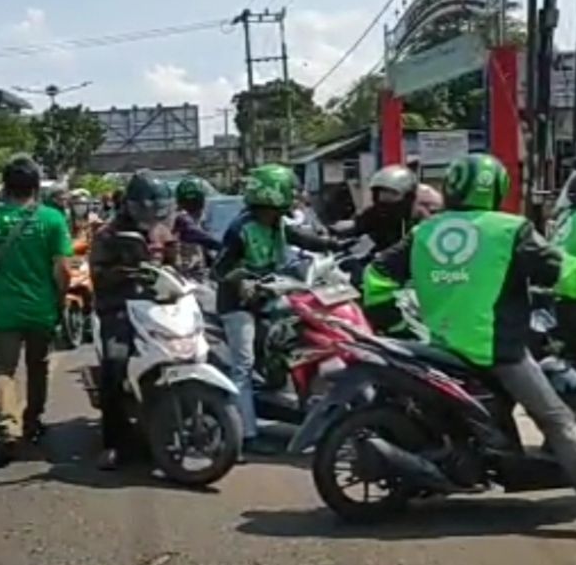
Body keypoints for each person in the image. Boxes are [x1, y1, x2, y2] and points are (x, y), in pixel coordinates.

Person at [363, 153, 576, 538]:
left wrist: (397, 326)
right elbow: (568, 274)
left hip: (443, 344)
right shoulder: (509, 230)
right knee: (559, 421)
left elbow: (376, 275)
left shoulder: (426, 232)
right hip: (498, 350)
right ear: (498, 189)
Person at [212, 163, 344, 457]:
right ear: (273, 196)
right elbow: (220, 269)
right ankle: (245, 435)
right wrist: (242, 281)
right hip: (238, 306)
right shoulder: (240, 229)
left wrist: (335, 244)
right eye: (288, 194)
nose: (292, 200)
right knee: (242, 367)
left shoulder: (276, 224)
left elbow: (301, 238)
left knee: (302, 339)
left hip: (270, 298)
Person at [0, 154, 73, 467]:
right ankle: (32, 421)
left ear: (6, 187)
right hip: (42, 310)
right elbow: (63, 269)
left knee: (2, 370)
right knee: (38, 366)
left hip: (6, 312)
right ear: (36, 187)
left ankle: (8, 428)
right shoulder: (53, 219)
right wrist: (61, 299)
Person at [88, 170, 177, 470]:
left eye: (158, 211)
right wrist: (123, 272)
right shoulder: (108, 235)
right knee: (116, 362)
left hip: (159, 307)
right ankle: (112, 441)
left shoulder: (164, 232)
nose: (151, 217)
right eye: (144, 209)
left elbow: (178, 264)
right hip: (119, 307)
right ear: (129, 205)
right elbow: (97, 276)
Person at [333, 164, 419, 250]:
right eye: (380, 194)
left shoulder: (417, 223)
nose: (384, 198)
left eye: (392, 194)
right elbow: (355, 228)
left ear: (408, 197)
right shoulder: (373, 215)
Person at [172, 177, 221, 277]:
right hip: (186, 275)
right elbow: (203, 237)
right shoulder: (182, 219)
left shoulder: (200, 219)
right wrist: (228, 246)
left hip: (197, 273)